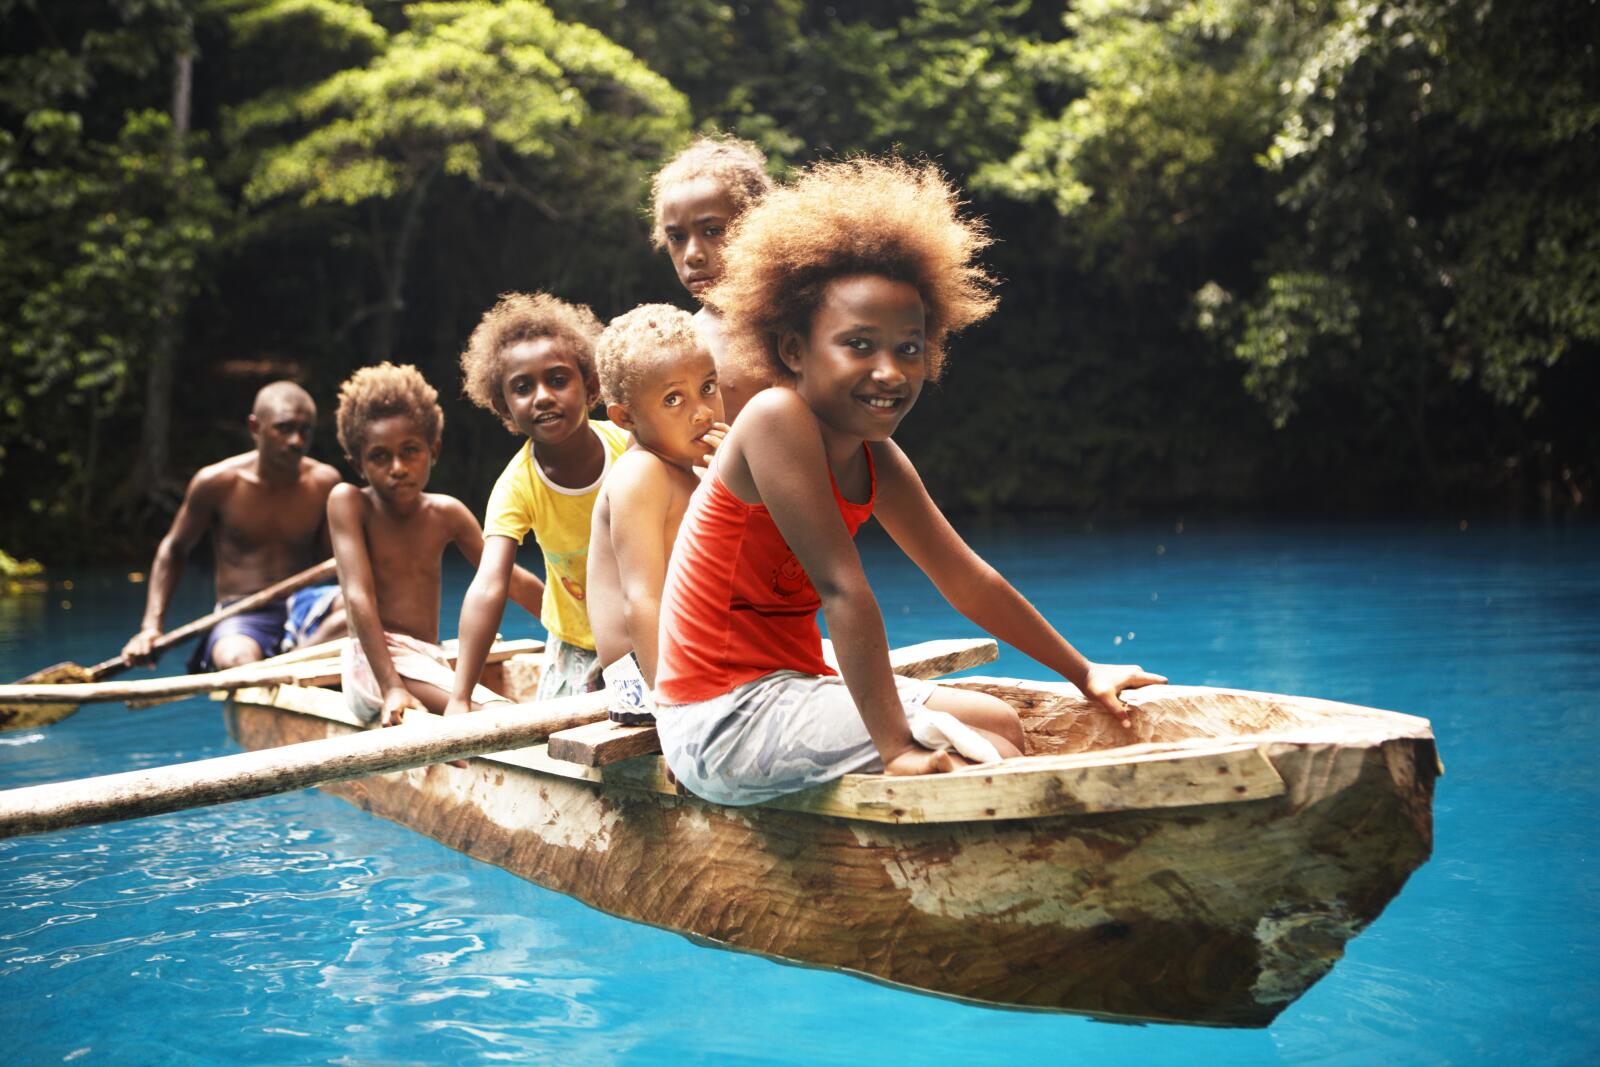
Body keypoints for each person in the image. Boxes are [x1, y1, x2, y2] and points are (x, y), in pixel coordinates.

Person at [652, 157, 1168, 806]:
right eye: (859, 345)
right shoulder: (775, 418)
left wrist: (1086, 671)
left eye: (910, 347)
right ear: (792, 351)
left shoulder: (879, 459)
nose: (890, 372)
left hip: (792, 684)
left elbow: (967, 578)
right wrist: (897, 748)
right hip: (718, 718)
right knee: (967, 746)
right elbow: (843, 591)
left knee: (998, 723)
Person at [327, 363, 544, 726]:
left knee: (496, 713)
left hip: (426, 659)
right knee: (498, 716)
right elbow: (357, 597)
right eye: (380, 457)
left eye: (410, 451)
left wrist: (576, 631)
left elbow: (511, 580)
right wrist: (392, 686)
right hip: (375, 664)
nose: (398, 467)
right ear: (358, 464)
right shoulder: (349, 503)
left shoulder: (447, 513)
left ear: (434, 450)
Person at [446, 292, 631, 714]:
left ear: (592, 387)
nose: (543, 396)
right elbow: (491, 583)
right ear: (504, 407)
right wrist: (460, 696)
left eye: (558, 379)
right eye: (523, 388)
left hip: (652, 627)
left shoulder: (631, 447)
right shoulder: (517, 486)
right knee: (562, 745)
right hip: (577, 643)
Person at [121, 381, 345, 672]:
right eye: (284, 428)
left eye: (305, 431)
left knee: (362, 616)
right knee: (235, 658)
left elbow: (340, 563)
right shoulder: (217, 483)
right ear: (255, 427)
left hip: (305, 605)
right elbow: (173, 549)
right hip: (242, 612)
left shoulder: (324, 483)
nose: (296, 441)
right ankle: (285, 668)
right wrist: (151, 627)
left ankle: (284, 666)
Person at [586, 305, 728, 724]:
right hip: (642, 675)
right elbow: (641, 600)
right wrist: (677, 716)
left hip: (691, 652)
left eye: (707, 387)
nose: (702, 411)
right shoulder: (641, 472)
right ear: (625, 417)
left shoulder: (695, 468)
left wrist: (736, 478)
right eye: (673, 399)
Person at [651, 133, 774, 422]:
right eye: (677, 238)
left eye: (713, 231)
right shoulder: (679, 344)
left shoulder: (799, 325)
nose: (693, 254)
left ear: (758, 225)